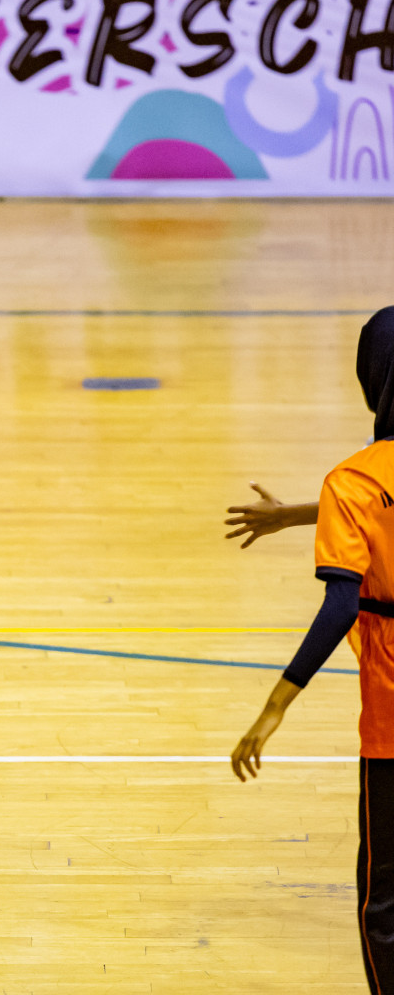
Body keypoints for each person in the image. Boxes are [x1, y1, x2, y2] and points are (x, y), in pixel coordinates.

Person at [230, 308, 394, 992]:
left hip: (391, 718)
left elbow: (340, 603)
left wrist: (275, 706)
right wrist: (298, 512)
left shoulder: (355, 479)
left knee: (384, 897)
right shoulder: (349, 488)